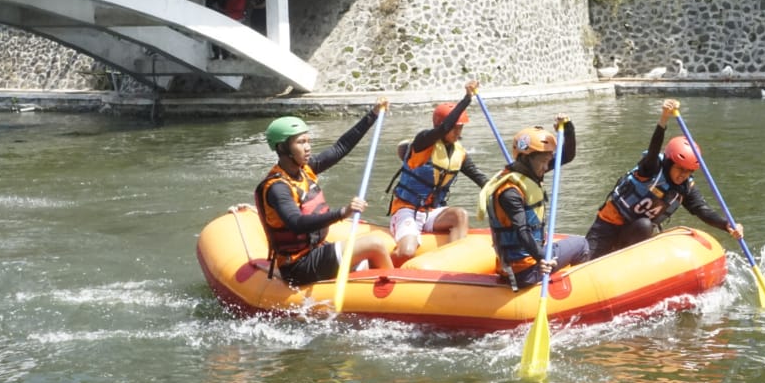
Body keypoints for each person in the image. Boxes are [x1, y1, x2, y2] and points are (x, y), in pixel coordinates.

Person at [253, 102, 395, 287]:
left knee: (370, 251)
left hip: (315, 250)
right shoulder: (278, 188)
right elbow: (296, 224)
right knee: (374, 244)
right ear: (282, 148)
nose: (308, 147)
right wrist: (342, 212)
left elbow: (340, 148)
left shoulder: (306, 170)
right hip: (298, 265)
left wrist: (373, 114)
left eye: (308, 141)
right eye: (300, 142)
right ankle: (393, 289)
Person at [584, 99, 743, 259]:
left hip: (635, 233)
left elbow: (703, 210)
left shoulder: (685, 187)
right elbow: (653, 149)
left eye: (688, 171)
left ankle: (624, 262)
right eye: (680, 169)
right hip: (609, 223)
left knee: (645, 225)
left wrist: (727, 225)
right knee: (586, 259)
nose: (683, 175)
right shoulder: (651, 169)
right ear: (669, 163)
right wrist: (663, 119)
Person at [478, 117, 590, 290]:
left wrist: (568, 128)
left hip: (521, 265)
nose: (546, 167)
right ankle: (582, 291)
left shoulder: (529, 173)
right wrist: (541, 258)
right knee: (581, 244)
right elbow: (522, 231)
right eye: (543, 162)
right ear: (526, 158)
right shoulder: (510, 192)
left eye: (548, 161)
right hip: (526, 270)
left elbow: (567, 156)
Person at [386, 80, 490, 263]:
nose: (458, 132)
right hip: (407, 209)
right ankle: (372, 263)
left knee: (460, 215)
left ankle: (452, 264)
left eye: (461, 128)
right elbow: (443, 128)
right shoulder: (423, 142)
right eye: (455, 128)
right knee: (407, 252)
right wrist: (467, 99)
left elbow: (480, 179)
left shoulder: (459, 153)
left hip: (433, 211)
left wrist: (505, 190)